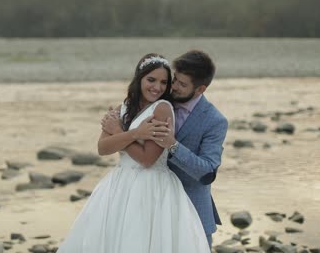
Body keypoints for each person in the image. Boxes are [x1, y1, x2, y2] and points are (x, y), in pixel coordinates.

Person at [57, 53, 210, 253]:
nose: (157, 87)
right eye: (151, 80)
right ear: (139, 78)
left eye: (164, 82)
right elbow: (103, 148)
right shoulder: (123, 107)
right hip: (119, 185)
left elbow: (147, 159)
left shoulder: (162, 109)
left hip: (152, 187)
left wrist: (120, 133)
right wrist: (136, 133)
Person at [103, 50, 228, 247]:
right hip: (146, 205)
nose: (173, 87)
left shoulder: (214, 121)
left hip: (191, 211)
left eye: (182, 84)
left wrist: (173, 145)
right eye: (175, 79)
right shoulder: (157, 98)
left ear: (200, 89)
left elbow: (207, 172)